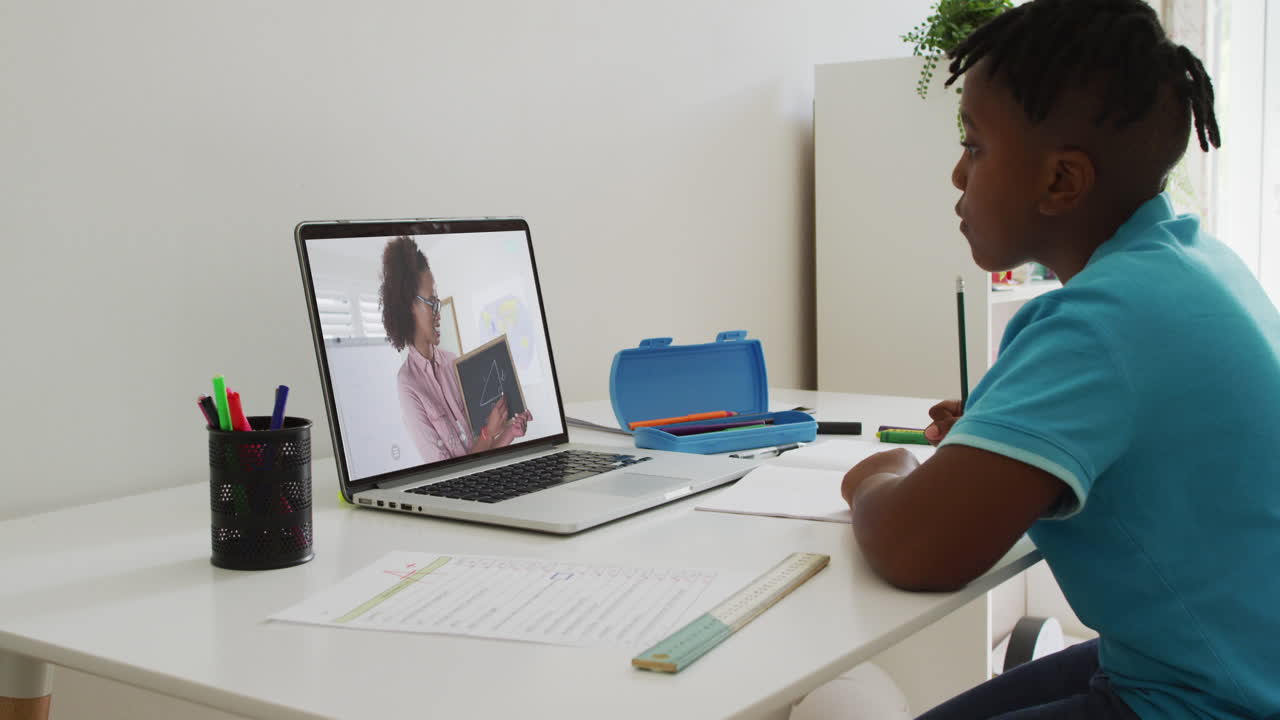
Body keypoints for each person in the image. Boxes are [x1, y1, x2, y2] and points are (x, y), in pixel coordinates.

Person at [838, 1, 1280, 718]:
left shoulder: (1099, 320)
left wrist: (876, 477)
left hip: (1214, 699)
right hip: (1226, 660)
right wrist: (1000, 438)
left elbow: (917, 549)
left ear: (1060, 182)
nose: (957, 174)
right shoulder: (1194, 263)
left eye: (974, 147)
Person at [381, 235, 531, 463]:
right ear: (410, 305)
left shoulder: (453, 362)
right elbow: (446, 470)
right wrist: (489, 432)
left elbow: (481, 451)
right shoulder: (408, 384)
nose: (438, 313)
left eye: (437, 302)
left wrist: (510, 432)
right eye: (431, 303)